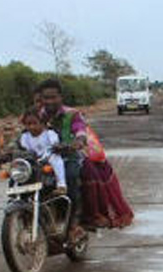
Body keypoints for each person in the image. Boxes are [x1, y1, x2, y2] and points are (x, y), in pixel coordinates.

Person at [35, 79, 134, 229]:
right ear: (40, 99)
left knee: (72, 176)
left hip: (69, 155)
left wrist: (76, 142)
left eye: (53, 97)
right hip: (44, 158)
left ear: (61, 97)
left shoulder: (72, 114)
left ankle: (75, 219)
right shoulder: (37, 115)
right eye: (45, 98)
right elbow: (24, 134)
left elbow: (80, 131)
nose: (49, 101)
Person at [17, 109, 65, 192]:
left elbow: (54, 146)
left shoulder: (49, 133)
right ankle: (16, 188)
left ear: (43, 123)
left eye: (35, 123)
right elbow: (25, 149)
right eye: (28, 124)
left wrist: (56, 147)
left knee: (56, 159)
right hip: (32, 160)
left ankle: (61, 185)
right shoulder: (25, 136)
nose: (32, 126)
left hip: (47, 158)